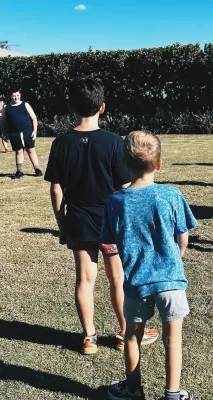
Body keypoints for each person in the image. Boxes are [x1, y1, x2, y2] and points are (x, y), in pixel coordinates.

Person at [44, 78, 158, 355]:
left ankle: (89, 338)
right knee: (117, 279)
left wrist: (62, 226)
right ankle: (124, 334)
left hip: (79, 222)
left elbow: (56, 189)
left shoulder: (61, 143)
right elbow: (123, 188)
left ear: (71, 107)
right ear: (102, 107)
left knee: (84, 279)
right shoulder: (113, 143)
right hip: (111, 224)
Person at [103, 131, 197, 400]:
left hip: (136, 282)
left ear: (124, 163)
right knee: (172, 338)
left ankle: (133, 389)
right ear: (159, 164)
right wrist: (175, 257)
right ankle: (173, 394)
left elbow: (109, 241)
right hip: (171, 280)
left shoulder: (114, 202)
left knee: (132, 335)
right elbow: (183, 236)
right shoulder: (171, 194)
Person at [1, 88, 42, 178]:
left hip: (27, 131)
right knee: (19, 151)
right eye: (14, 95)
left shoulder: (25, 105)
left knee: (31, 150)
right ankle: (19, 171)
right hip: (14, 133)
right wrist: (4, 133)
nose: (16, 97)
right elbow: (3, 121)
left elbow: (34, 118)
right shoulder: (6, 107)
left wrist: (34, 131)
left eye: (18, 95)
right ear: (10, 96)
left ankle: (37, 169)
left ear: (20, 95)